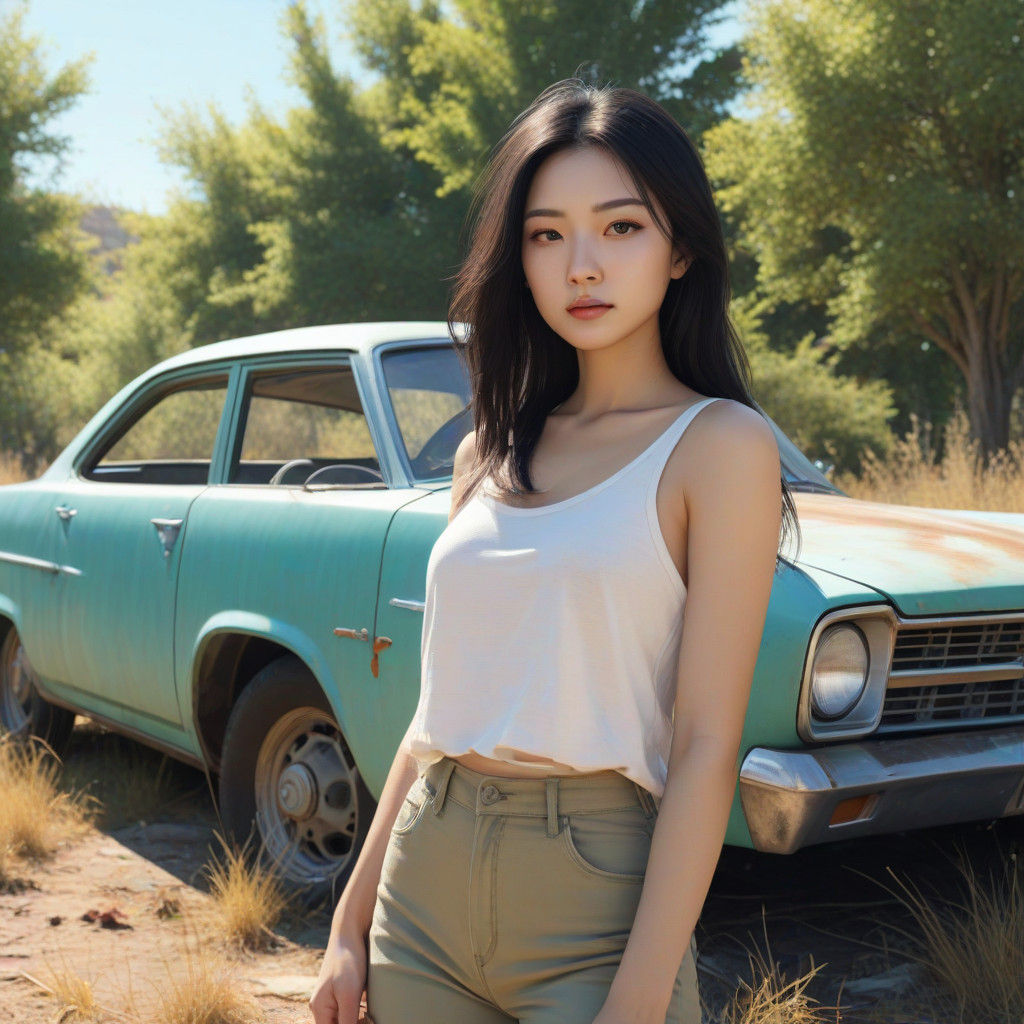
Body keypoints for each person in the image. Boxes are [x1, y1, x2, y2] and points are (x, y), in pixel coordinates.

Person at [310, 77, 798, 1024]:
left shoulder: (721, 446)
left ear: (681, 248)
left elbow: (704, 745)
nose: (582, 266)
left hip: (598, 902)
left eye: (620, 228)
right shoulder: (482, 452)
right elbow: (433, 715)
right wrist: (348, 922)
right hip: (423, 885)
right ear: (519, 258)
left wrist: (642, 993)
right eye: (547, 233)